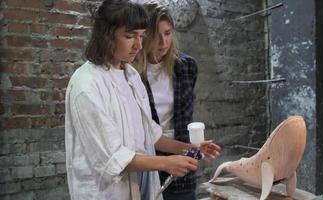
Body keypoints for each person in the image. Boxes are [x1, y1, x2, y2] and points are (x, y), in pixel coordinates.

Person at [65, 0, 221, 200]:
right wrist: (166, 163)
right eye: (130, 36)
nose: (139, 45)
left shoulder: (130, 75)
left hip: (138, 188)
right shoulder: (87, 85)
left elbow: (151, 135)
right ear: (106, 36)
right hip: (105, 193)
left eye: (141, 36)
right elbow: (113, 158)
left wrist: (191, 149)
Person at [134, 3, 219, 200]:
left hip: (183, 159)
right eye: (156, 35)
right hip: (147, 160)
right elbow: (144, 132)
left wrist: (194, 149)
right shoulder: (132, 75)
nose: (163, 42)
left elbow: (184, 118)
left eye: (168, 33)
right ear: (144, 36)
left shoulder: (186, 67)